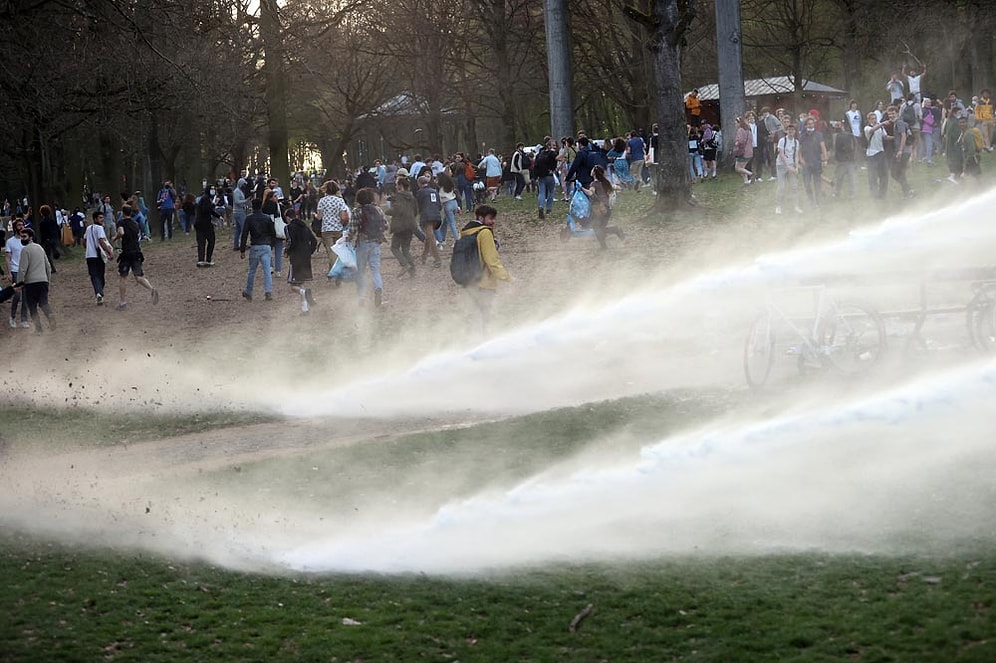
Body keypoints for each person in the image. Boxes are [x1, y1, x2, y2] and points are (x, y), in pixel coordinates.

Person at [458, 205, 512, 333]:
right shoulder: (484, 232)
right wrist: (507, 277)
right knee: (486, 316)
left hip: (469, 282)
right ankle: (486, 341)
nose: (493, 221)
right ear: (481, 218)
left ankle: (471, 341)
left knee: (472, 316)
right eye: (490, 218)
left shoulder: (465, 232)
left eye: (494, 219)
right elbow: (492, 261)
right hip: (485, 283)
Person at [113, 206, 158, 310]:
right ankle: (152, 289)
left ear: (123, 213)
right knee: (138, 276)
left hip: (127, 253)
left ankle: (123, 302)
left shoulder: (121, 222)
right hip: (137, 252)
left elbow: (121, 232)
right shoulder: (136, 224)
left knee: (123, 277)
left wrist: (115, 237)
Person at [348, 187, 387, 307]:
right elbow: (385, 226)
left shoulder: (356, 211)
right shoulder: (378, 209)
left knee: (360, 271)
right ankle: (378, 287)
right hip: (375, 243)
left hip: (363, 243)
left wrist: (347, 239)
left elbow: (352, 230)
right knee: (375, 269)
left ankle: (361, 297)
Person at [14, 228, 55, 332]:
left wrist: (19, 283)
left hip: (31, 283)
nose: (22, 239)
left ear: (30, 237)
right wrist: (47, 280)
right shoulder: (40, 248)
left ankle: (39, 328)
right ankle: (50, 316)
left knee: (32, 306)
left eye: (24, 236)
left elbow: (22, 269)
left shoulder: (25, 250)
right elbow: (48, 266)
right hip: (43, 281)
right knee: (44, 302)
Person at [239, 198, 276, 301]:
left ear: (252, 206)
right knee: (267, 271)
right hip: (266, 245)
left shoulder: (249, 218)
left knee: (252, 270)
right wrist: (271, 245)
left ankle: (249, 291)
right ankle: (268, 291)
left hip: (255, 246)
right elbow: (273, 233)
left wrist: (242, 249)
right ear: (261, 206)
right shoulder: (267, 218)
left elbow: (244, 234)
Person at [283, 208, 319, 313]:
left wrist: (287, 251)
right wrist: (309, 252)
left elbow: (291, 242)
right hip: (306, 258)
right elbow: (314, 240)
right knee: (300, 283)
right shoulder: (304, 226)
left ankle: (305, 293)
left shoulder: (289, 227)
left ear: (288, 218)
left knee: (293, 286)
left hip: (295, 259)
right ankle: (305, 309)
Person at [581, 165, 624, 249]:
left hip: (600, 209)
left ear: (594, 173)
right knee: (600, 228)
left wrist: (581, 188)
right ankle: (613, 234)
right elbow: (617, 187)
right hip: (607, 209)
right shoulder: (605, 182)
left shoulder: (594, 184)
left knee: (597, 228)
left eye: (592, 170)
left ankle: (607, 241)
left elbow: (590, 193)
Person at [315, 180, 350, 273]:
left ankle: (335, 271)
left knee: (330, 252)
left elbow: (319, 217)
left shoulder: (322, 201)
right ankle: (334, 271)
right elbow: (343, 216)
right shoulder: (340, 200)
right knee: (337, 251)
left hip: (326, 229)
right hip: (338, 228)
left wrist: (315, 215)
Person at [386, 176, 418, 277]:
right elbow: (416, 210)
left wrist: (387, 211)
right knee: (405, 249)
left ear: (400, 186)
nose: (396, 186)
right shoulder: (412, 197)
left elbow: (397, 210)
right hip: (410, 225)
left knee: (394, 247)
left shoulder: (398, 196)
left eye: (396, 184)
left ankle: (404, 264)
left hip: (400, 226)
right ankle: (412, 270)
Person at [83, 210, 116, 305]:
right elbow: (101, 241)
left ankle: (98, 292)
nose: (102, 219)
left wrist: (88, 248)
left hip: (89, 256)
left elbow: (84, 240)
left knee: (94, 275)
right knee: (100, 275)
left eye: (102, 217)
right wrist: (109, 251)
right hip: (98, 255)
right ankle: (99, 292)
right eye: (100, 218)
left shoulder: (88, 228)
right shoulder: (100, 228)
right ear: (95, 219)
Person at [4, 218, 29, 328]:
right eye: (19, 225)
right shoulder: (10, 242)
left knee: (26, 296)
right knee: (17, 295)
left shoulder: (27, 240)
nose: (21, 227)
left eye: (22, 225)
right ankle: (13, 317)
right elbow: (8, 258)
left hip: (26, 271)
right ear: (15, 228)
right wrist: (9, 273)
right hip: (15, 270)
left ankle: (24, 319)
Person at [799, 117, 828, 207]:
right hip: (806, 163)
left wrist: (825, 159)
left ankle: (818, 202)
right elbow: (799, 150)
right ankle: (811, 201)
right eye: (809, 124)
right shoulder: (802, 136)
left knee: (817, 184)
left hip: (816, 162)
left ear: (814, 124)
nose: (810, 125)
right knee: (807, 184)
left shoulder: (818, 135)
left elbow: (823, 147)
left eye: (812, 123)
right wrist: (801, 159)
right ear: (806, 125)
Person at [774, 124, 803, 215]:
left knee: (794, 186)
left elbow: (796, 156)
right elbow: (781, 154)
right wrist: (788, 166)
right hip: (781, 165)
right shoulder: (782, 141)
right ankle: (778, 206)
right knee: (782, 187)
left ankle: (796, 206)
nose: (791, 131)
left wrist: (796, 167)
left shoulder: (796, 142)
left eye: (792, 130)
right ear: (786, 131)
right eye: (789, 130)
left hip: (791, 165)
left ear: (795, 131)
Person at [416, 175, 442, 268]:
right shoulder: (434, 191)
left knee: (431, 237)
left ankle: (437, 259)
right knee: (429, 236)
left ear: (419, 183)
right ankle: (424, 257)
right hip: (436, 216)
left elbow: (418, 205)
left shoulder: (420, 192)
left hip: (427, 217)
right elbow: (439, 206)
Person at [194, 186, 223, 267]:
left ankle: (201, 260)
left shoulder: (205, 198)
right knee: (211, 240)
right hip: (204, 223)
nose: (213, 191)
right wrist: (214, 204)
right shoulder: (206, 198)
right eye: (212, 189)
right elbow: (206, 209)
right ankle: (207, 260)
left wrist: (218, 216)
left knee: (201, 241)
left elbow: (209, 210)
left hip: (200, 223)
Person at [865, 112, 890, 198]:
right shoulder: (867, 128)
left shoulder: (880, 127)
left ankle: (882, 194)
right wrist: (882, 123)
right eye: (872, 119)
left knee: (884, 175)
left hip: (881, 153)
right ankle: (874, 193)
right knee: (872, 176)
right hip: (871, 154)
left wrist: (896, 137)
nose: (874, 120)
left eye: (875, 118)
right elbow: (872, 130)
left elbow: (885, 137)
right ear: (868, 120)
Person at [532, 137, 558, 219]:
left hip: (541, 176)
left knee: (542, 193)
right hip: (549, 175)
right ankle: (549, 208)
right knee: (551, 192)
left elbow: (535, 165)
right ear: (550, 146)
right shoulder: (552, 153)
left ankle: (540, 206)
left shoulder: (540, 154)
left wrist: (535, 176)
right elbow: (558, 159)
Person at [260, 188, 284, 276]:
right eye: (275, 196)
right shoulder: (278, 206)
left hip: (267, 231)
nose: (277, 197)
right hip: (277, 230)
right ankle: (278, 270)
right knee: (278, 251)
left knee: (268, 250)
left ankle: (270, 266)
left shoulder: (263, 207)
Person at [734, 117, 754, 184]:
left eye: (736, 123)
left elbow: (741, 141)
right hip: (749, 152)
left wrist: (736, 142)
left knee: (737, 168)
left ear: (739, 123)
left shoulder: (740, 130)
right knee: (742, 168)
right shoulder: (748, 130)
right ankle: (746, 181)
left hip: (743, 152)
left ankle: (751, 174)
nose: (735, 124)